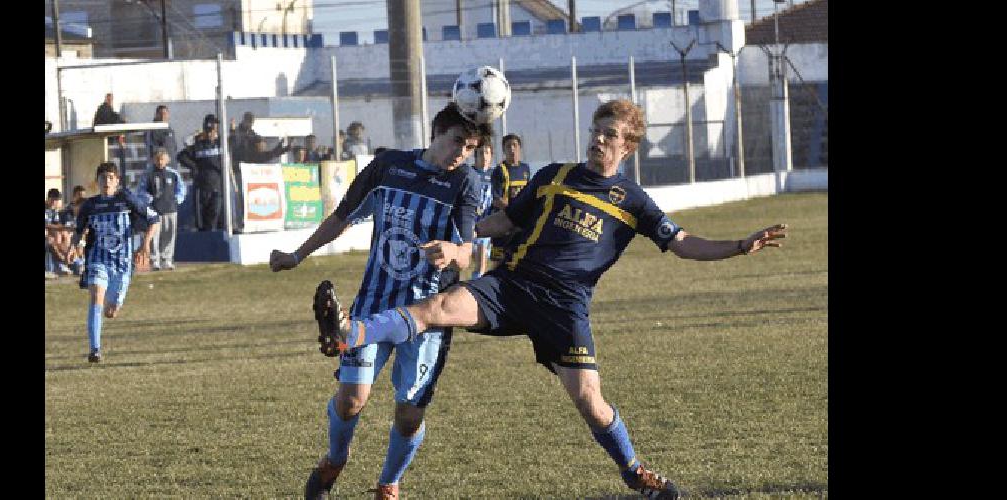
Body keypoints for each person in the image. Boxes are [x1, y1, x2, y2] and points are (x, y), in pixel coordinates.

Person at [310, 100, 790, 499]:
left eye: (609, 134)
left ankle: (633, 471)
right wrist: (458, 236)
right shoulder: (555, 175)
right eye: (596, 130)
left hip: (565, 307)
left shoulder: (633, 200)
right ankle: (351, 331)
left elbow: (682, 242)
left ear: (627, 146)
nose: (598, 139)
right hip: (514, 285)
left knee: (589, 400)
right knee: (439, 308)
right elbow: (503, 223)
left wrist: (737, 247)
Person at [269, 102, 489, 499]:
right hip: (374, 304)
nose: (461, 153)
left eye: (470, 147)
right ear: (436, 132)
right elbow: (341, 217)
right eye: (457, 141)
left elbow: (470, 249)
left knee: (408, 415)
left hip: (429, 316)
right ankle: (335, 459)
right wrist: (296, 255)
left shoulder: (466, 183)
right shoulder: (389, 167)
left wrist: (453, 253)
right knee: (352, 400)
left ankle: (389, 483)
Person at [67, 162, 160, 363]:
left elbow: (154, 219)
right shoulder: (90, 206)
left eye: (110, 177)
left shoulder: (127, 199)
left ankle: (111, 310)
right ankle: (95, 350)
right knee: (95, 298)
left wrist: (145, 244)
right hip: (98, 259)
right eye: (102, 178)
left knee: (110, 312)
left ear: (117, 180)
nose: (106, 181)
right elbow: (79, 231)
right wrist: (73, 246)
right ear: (97, 182)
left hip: (123, 264)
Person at [137, 148, 187, 271]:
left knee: (169, 234)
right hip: (155, 210)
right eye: (158, 159)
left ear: (167, 160)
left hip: (170, 209)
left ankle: (167, 259)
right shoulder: (148, 174)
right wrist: (150, 200)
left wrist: (177, 200)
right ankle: (155, 260)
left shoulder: (173, 174)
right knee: (154, 236)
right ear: (154, 160)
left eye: (162, 159)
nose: (160, 162)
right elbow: (141, 190)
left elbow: (182, 189)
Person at [489, 133, 531, 265]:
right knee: (499, 262)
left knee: (518, 259)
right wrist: (514, 211)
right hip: (503, 222)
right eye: (508, 146)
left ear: (519, 148)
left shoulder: (525, 169)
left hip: (520, 224)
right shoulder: (500, 171)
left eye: (515, 145)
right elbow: (496, 199)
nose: (512, 149)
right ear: (504, 150)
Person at [177, 114, 224, 231]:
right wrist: (194, 167)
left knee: (215, 217)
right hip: (201, 189)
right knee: (202, 222)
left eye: (214, 130)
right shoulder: (198, 146)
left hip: (218, 188)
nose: (211, 133)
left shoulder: (221, 144)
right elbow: (181, 156)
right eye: (209, 130)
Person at [469, 141, 495, 279]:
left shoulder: (495, 174)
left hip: (486, 222)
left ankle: (477, 284)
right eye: (480, 153)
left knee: (482, 260)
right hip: (470, 220)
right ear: (475, 156)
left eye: (487, 153)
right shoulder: (470, 173)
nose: (484, 157)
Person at [143, 105, 178, 170]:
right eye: (160, 114)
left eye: (165, 114)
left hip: (172, 165)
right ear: (156, 115)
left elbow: (174, 147)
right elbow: (153, 149)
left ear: (168, 115)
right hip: (160, 167)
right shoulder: (153, 130)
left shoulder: (169, 129)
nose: (163, 116)